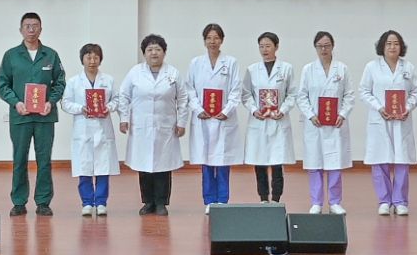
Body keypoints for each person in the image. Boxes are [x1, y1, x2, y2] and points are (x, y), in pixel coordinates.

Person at [0, 12, 66, 217]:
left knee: (44, 160)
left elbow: (60, 82)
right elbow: (3, 84)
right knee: (19, 159)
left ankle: (43, 202)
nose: (31, 30)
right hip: (21, 116)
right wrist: (16, 102)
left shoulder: (51, 55)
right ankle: (19, 201)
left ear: (41, 29)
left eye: (35, 26)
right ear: (21, 30)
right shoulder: (11, 55)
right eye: (27, 26)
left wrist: (51, 102)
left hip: (45, 117)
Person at [118, 34, 188, 217]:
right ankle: (148, 202)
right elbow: (123, 96)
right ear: (144, 53)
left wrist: (181, 122)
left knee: (163, 166)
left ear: (164, 52)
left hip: (166, 126)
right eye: (150, 49)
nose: (154, 53)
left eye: (158, 49)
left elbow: (183, 98)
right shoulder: (135, 72)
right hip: (141, 126)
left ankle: (161, 202)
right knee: (144, 165)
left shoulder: (173, 73)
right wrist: (124, 118)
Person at [359, 30, 417, 217]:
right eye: (388, 43)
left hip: (401, 120)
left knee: (402, 161)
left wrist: (407, 107)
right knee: (380, 160)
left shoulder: (408, 67)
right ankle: (384, 200)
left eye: (396, 43)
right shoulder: (372, 67)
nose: (392, 47)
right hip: (380, 120)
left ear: (401, 47)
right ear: (382, 46)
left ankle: (400, 201)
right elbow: (364, 91)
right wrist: (379, 107)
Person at [185, 23, 243, 214]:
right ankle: (209, 200)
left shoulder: (231, 62)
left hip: (223, 119)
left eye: (216, 38)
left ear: (222, 40)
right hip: (203, 118)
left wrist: (227, 110)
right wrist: (197, 108)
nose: (212, 41)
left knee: (223, 161)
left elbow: (236, 90)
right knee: (206, 162)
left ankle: (223, 200)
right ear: (204, 41)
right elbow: (189, 89)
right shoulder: (196, 63)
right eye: (209, 38)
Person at [296, 31, 354, 215]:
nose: (323, 49)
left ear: (332, 46)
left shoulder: (342, 69)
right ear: (315, 47)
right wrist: (310, 115)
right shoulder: (308, 69)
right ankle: (317, 202)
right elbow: (301, 96)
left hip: (336, 124)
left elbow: (349, 95)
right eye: (320, 46)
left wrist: (343, 114)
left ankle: (335, 202)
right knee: (315, 163)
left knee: (335, 163)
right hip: (315, 124)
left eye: (327, 45)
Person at [59, 43, 120, 217]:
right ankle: (86, 202)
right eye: (88, 57)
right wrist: (80, 108)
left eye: (95, 57)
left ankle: (101, 202)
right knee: (84, 167)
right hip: (83, 129)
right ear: (82, 60)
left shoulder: (108, 80)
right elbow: (65, 103)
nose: (92, 61)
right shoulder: (73, 82)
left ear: (100, 59)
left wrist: (109, 107)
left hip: (103, 127)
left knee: (103, 167)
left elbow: (117, 99)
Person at [242, 32, 296, 205]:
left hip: (278, 121)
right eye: (261, 46)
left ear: (276, 47)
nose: (264, 50)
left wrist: (283, 110)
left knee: (277, 163)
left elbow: (292, 94)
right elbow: (246, 94)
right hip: (259, 121)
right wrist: (253, 110)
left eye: (268, 46)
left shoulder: (286, 68)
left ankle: (276, 199)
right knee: (260, 162)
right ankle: (263, 198)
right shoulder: (252, 70)